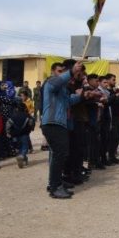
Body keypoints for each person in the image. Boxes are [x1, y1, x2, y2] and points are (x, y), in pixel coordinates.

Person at [42, 60, 83, 198]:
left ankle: (56, 183)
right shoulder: (51, 82)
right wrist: (71, 72)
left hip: (59, 124)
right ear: (53, 72)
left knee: (59, 154)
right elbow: (57, 83)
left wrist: (81, 95)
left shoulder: (63, 89)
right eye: (60, 71)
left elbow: (68, 102)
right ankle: (54, 187)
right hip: (53, 123)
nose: (62, 74)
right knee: (59, 154)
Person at [5, 101, 34, 168]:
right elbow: (31, 123)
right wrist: (31, 129)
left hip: (15, 135)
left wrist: (8, 132)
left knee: (19, 147)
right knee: (25, 147)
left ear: (16, 109)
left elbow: (8, 125)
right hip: (25, 134)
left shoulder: (13, 116)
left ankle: (24, 159)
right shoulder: (27, 115)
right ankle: (22, 156)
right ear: (25, 108)